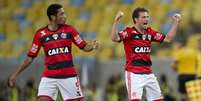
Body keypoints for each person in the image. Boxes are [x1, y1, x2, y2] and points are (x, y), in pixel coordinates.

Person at [8, 3, 98, 101]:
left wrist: (92, 46)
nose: (65, 16)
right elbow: (30, 58)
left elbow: (84, 46)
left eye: (64, 13)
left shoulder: (70, 30)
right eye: (62, 14)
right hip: (49, 76)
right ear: (53, 17)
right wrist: (15, 74)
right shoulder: (40, 34)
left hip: (69, 75)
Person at [110, 7, 181, 101]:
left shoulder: (150, 32)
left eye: (147, 17)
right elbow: (114, 38)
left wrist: (176, 23)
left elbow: (168, 38)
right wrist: (116, 21)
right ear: (136, 19)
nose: (147, 19)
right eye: (143, 17)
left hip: (148, 73)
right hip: (134, 74)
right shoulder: (129, 32)